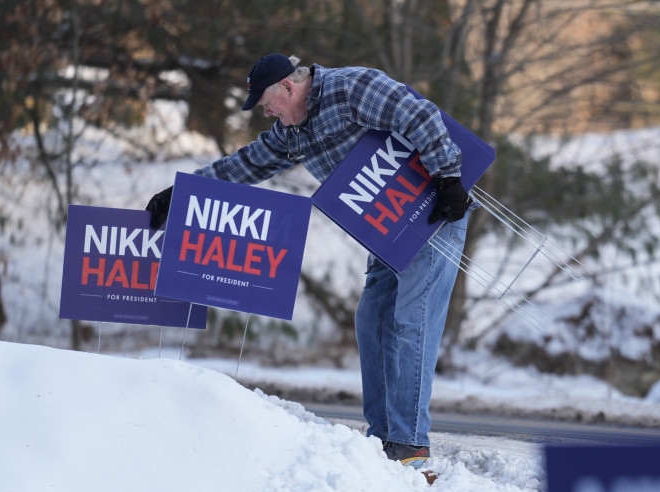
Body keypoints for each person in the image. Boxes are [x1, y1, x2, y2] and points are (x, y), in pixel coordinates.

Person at [146, 53, 471, 469]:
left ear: (288, 86)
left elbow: (419, 115)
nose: (265, 113)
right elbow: (244, 165)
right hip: (387, 227)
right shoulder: (290, 132)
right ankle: (383, 437)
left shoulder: (351, 88)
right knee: (370, 319)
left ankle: (410, 443)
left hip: (433, 212)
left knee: (411, 320)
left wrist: (447, 179)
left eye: (266, 103)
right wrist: (181, 193)